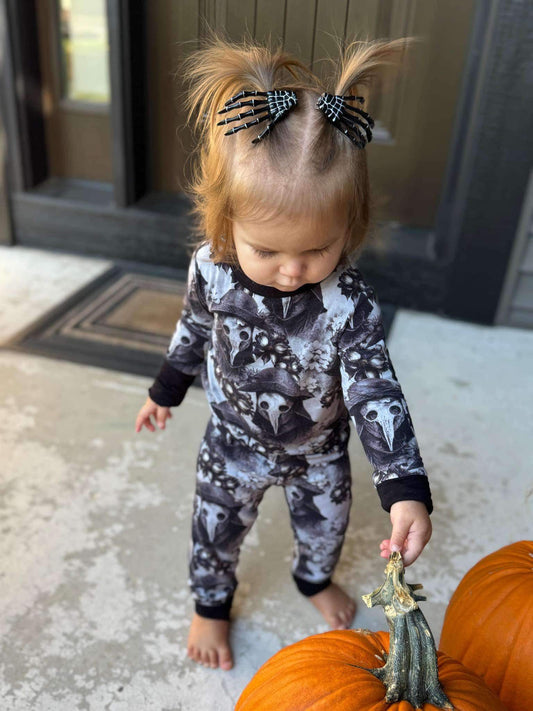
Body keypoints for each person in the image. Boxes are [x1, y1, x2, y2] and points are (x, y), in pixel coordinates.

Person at [135, 30, 432, 672]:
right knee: (214, 528)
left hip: (317, 450)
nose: (292, 271)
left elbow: (375, 388)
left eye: (316, 251)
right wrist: (165, 388)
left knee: (326, 529)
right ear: (224, 221)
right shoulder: (210, 270)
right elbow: (191, 330)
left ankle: (310, 580)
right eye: (266, 251)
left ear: (348, 230)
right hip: (231, 441)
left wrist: (404, 486)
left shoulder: (349, 302)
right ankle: (210, 605)